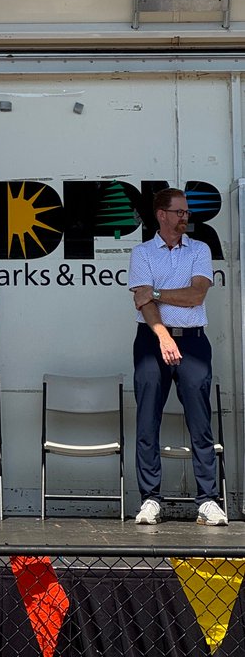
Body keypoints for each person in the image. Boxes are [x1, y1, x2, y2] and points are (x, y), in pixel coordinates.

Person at [129, 188, 227, 526]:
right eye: (179, 211)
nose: (185, 217)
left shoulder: (199, 249)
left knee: (200, 422)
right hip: (152, 341)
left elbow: (196, 295)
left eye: (186, 212)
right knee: (147, 421)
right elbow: (144, 305)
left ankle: (207, 500)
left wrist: (155, 292)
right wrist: (164, 335)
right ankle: (150, 499)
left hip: (194, 343)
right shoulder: (142, 253)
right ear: (161, 214)